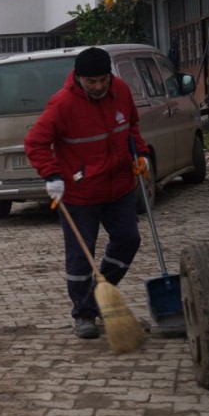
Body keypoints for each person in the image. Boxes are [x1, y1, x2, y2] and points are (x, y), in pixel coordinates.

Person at [24, 47, 147, 340]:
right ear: (78, 78)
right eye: (91, 81)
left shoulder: (121, 91)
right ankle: (84, 314)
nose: (98, 87)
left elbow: (131, 127)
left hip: (119, 187)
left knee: (129, 240)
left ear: (109, 76)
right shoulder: (63, 104)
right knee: (81, 255)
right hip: (80, 193)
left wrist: (140, 154)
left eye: (102, 80)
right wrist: (51, 175)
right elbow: (35, 143)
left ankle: (99, 292)